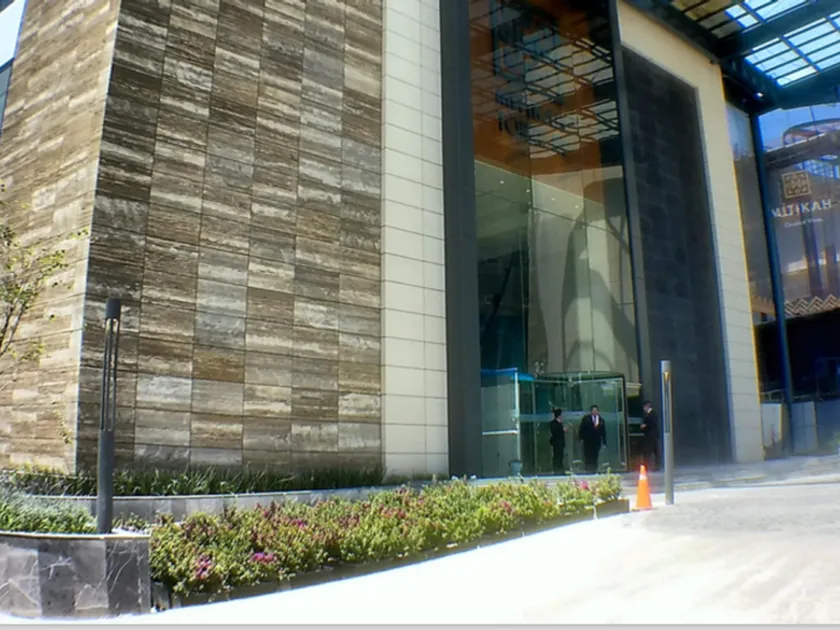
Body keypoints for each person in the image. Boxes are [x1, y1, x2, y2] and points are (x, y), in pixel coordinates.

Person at [578, 405, 606, 474]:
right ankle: (588, 470)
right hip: (588, 441)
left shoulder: (601, 420)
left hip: (597, 442)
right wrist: (581, 438)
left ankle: (594, 470)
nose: (595, 412)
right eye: (593, 410)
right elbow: (581, 428)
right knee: (588, 456)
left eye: (596, 410)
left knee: (595, 456)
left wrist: (604, 441)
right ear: (591, 411)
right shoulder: (586, 419)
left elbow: (603, 432)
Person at [641, 400, 659, 471]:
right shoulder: (652, 414)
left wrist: (645, 425)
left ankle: (647, 466)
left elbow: (652, 423)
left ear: (647, 406)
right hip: (653, 435)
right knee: (655, 451)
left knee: (648, 451)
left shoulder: (651, 414)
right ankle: (656, 466)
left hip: (650, 435)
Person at [548, 408, 567, 474]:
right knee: (557, 456)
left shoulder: (561, 423)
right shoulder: (553, 423)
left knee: (561, 456)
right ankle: (556, 469)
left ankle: (560, 469)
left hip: (561, 443)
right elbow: (555, 432)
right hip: (556, 443)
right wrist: (562, 430)